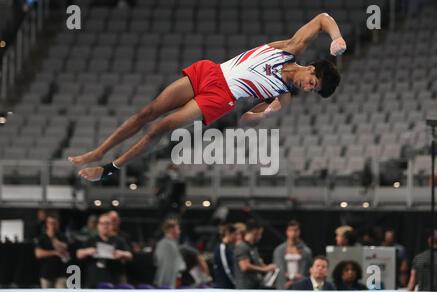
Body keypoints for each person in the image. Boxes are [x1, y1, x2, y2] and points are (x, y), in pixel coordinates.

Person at [67, 13, 346, 181]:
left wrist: (265, 113)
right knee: (148, 112)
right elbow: (322, 19)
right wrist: (337, 38)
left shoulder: (282, 94)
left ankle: (109, 169)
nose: (308, 87)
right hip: (211, 72)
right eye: (313, 82)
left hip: (221, 96)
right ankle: (99, 150)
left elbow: (251, 116)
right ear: (311, 68)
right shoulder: (290, 47)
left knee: (159, 128)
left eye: (313, 90)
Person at [76, 213, 133, 288]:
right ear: (98, 226)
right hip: (94, 280)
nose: (105, 226)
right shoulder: (91, 240)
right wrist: (88, 251)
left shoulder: (119, 240)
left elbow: (130, 255)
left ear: (112, 225)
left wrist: (121, 253)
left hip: (114, 279)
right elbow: (78, 254)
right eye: (102, 223)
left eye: (107, 223)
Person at [234, 219, 276, 289]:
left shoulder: (253, 248)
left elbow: (258, 263)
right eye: (260, 233)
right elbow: (245, 266)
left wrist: (268, 267)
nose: (260, 236)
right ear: (255, 231)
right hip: (244, 288)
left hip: (255, 286)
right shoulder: (241, 247)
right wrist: (265, 270)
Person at [273, 220, 313, 289]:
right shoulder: (279, 250)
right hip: (283, 284)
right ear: (286, 232)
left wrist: (296, 280)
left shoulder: (306, 251)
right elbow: (278, 268)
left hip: (300, 284)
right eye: (290, 230)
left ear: (299, 232)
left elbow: (309, 269)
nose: (293, 233)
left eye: (295, 230)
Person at [34, 213, 70, 288]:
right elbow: (38, 254)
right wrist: (54, 253)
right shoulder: (42, 238)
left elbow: (64, 248)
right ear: (47, 224)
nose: (52, 225)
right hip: (46, 273)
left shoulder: (62, 237)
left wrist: (53, 238)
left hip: (61, 273)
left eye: (54, 223)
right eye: (50, 223)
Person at [153, 218, 186, 288]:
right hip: (168, 283)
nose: (179, 232)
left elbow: (156, 262)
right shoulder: (165, 244)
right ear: (171, 229)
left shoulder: (163, 244)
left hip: (164, 282)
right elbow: (180, 266)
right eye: (178, 229)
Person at [213, 223, 238, 289]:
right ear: (228, 234)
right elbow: (226, 267)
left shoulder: (229, 247)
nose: (236, 237)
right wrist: (235, 282)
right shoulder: (222, 248)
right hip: (224, 285)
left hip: (229, 284)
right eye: (235, 234)